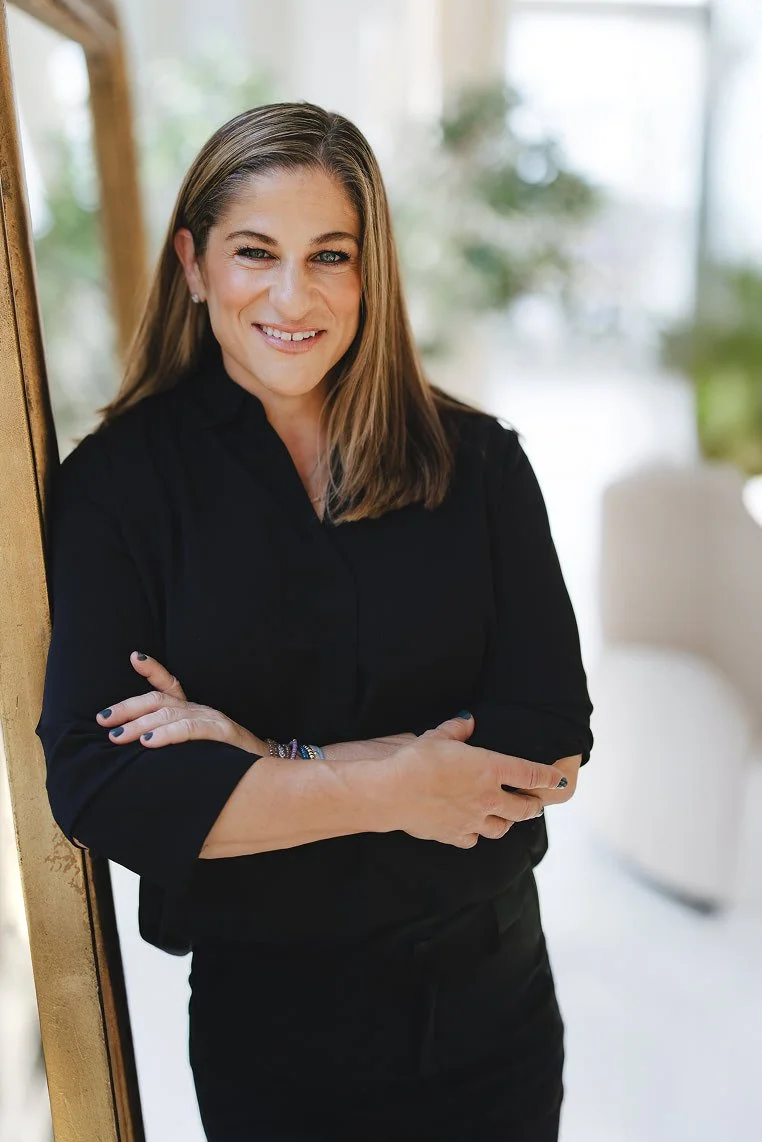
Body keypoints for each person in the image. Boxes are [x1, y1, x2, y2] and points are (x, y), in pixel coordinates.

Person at [36, 101, 593, 1141]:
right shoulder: (118, 487)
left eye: (329, 255)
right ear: (193, 263)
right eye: (256, 252)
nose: (293, 296)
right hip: (276, 1045)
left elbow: (549, 737)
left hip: (496, 1017)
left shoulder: (480, 463)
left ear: (368, 271)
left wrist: (265, 757)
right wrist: (399, 782)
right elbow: (105, 784)